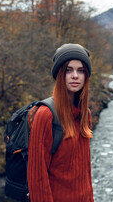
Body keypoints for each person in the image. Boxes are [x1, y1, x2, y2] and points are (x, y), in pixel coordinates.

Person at [27, 43, 94, 202]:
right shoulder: (46, 115)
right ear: (59, 75)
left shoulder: (86, 115)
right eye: (68, 70)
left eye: (81, 70)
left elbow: (85, 172)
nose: (75, 76)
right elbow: (37, 177)